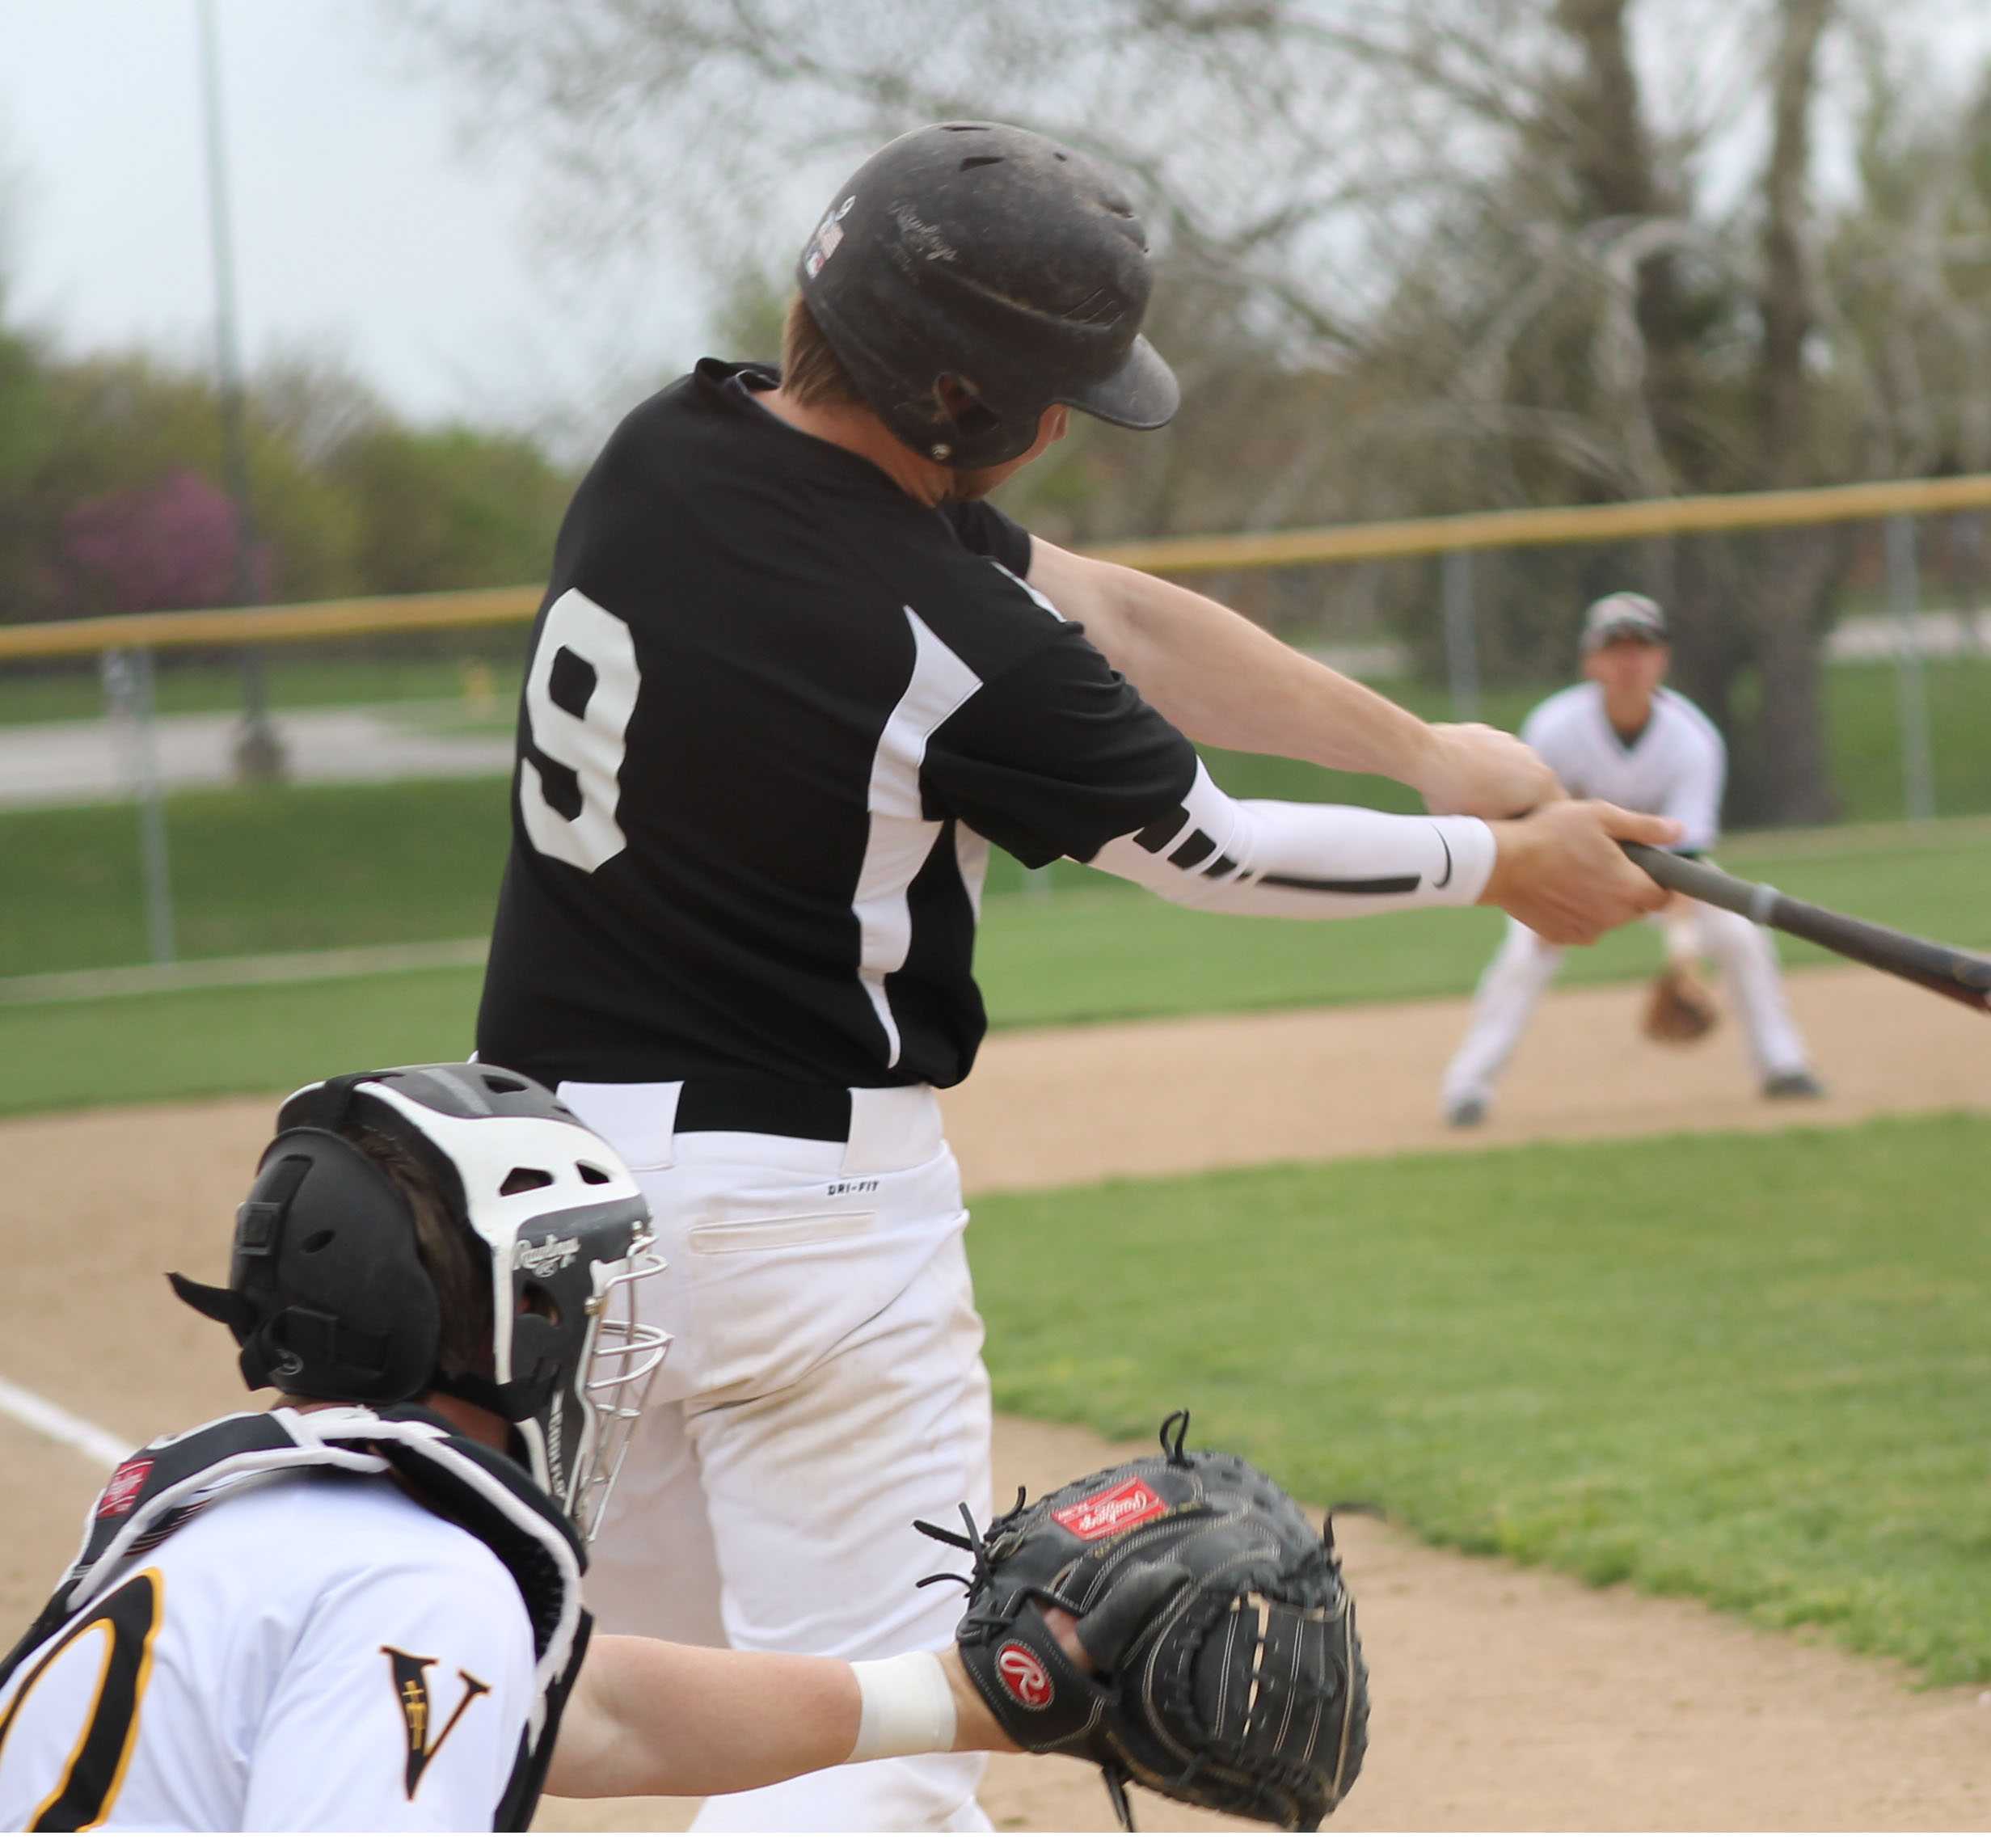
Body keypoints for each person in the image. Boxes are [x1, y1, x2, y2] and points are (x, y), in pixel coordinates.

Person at [469, 121, 1674, 1830]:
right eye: (1055, 403)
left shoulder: (669, 447)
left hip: (550, 1220)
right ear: (978, 411)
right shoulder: (940, 639)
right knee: (861, 1760)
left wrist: (1424, 752)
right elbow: (1209, 844)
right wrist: (1500, 869)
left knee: (602, 1707)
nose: (1061, 433)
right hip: (805, 1242)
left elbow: (1114, 616)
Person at [0, 1065, 1064, 1831]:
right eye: (581, 1297)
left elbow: (596, 1711)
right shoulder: (420, 1578)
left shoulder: (217, 1512)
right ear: (517, 1325)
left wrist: (966, 1697)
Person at [1439, 592, 1824, 1128]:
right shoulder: (1554, 727)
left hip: (1665, 872)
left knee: (1740, 937)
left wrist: (1683, 955)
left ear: (1662, 659)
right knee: (1525, 955)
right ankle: (1467, 1089)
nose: (1629, 661)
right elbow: (1527, 828)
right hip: (1567, 866)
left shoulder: (1693, 739)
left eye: (1641, 647)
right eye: (1615, 648)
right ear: (1590, 661)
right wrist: (1540, 901)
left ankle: (1783, 1063)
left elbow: (1687, 857)